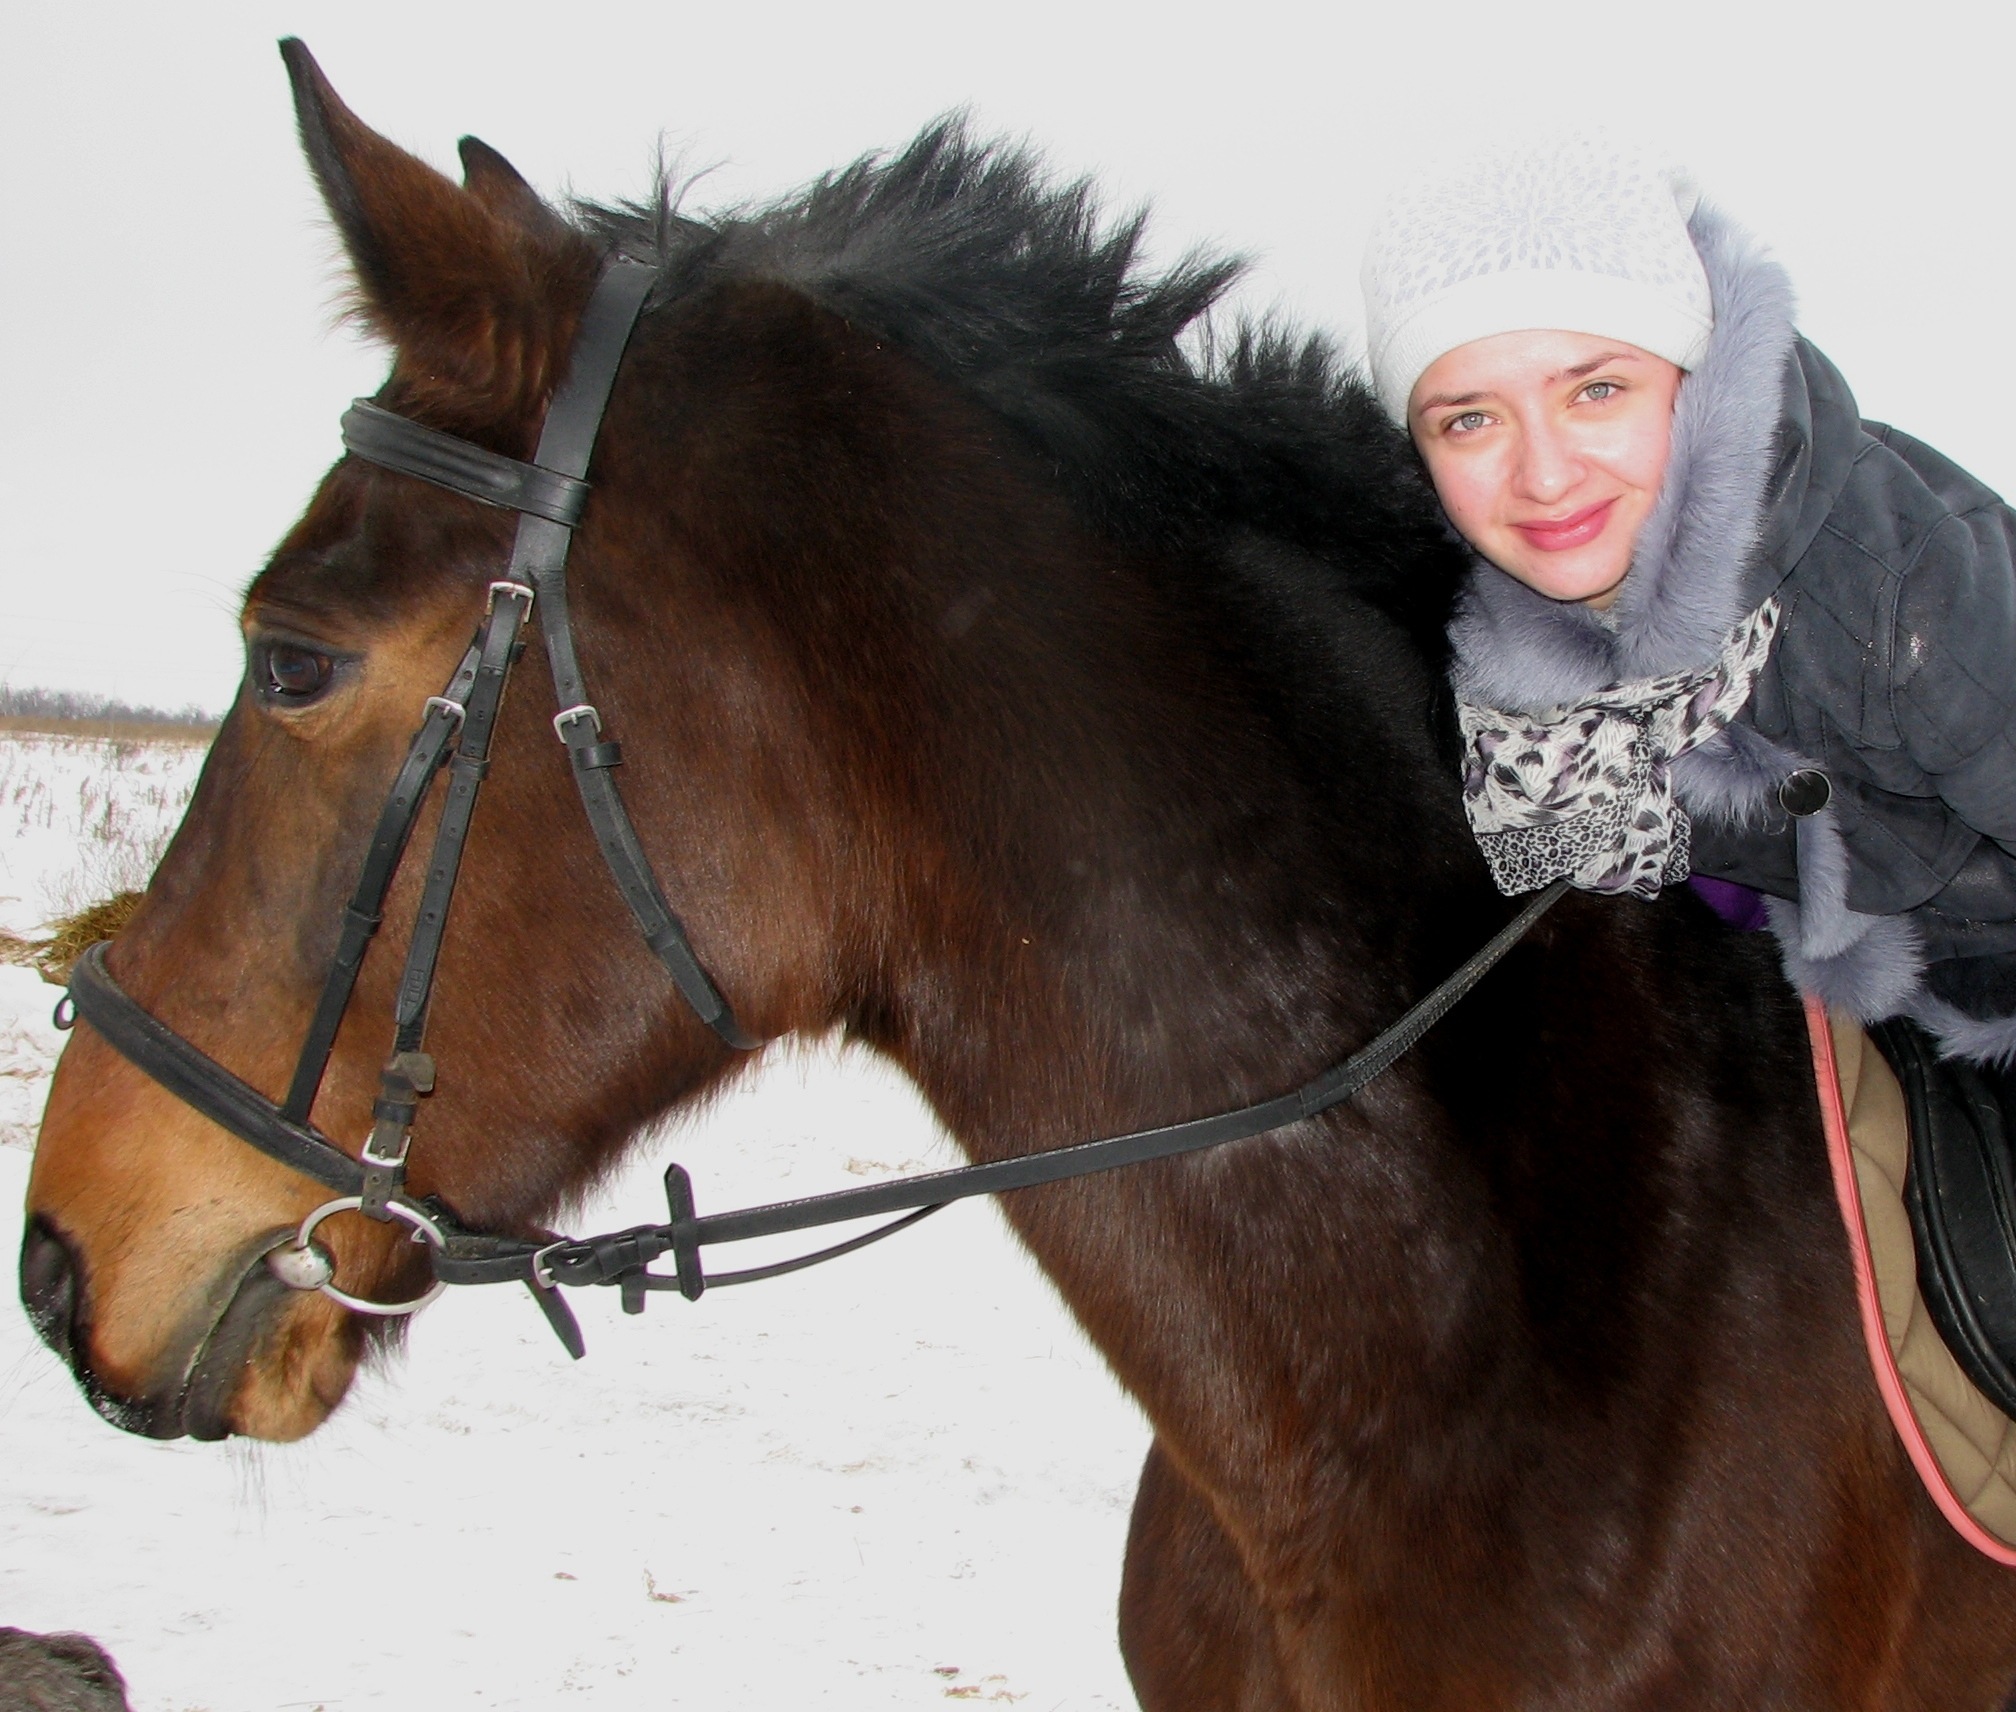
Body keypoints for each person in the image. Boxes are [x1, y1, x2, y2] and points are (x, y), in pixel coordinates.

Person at [1357, 134, 2016, 1421]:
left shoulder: (1891, 601)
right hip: (1841, 979)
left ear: (1692, 375)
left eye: (1595, 388)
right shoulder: (1503, 650)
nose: (1544, 473)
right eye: (1470, 417)